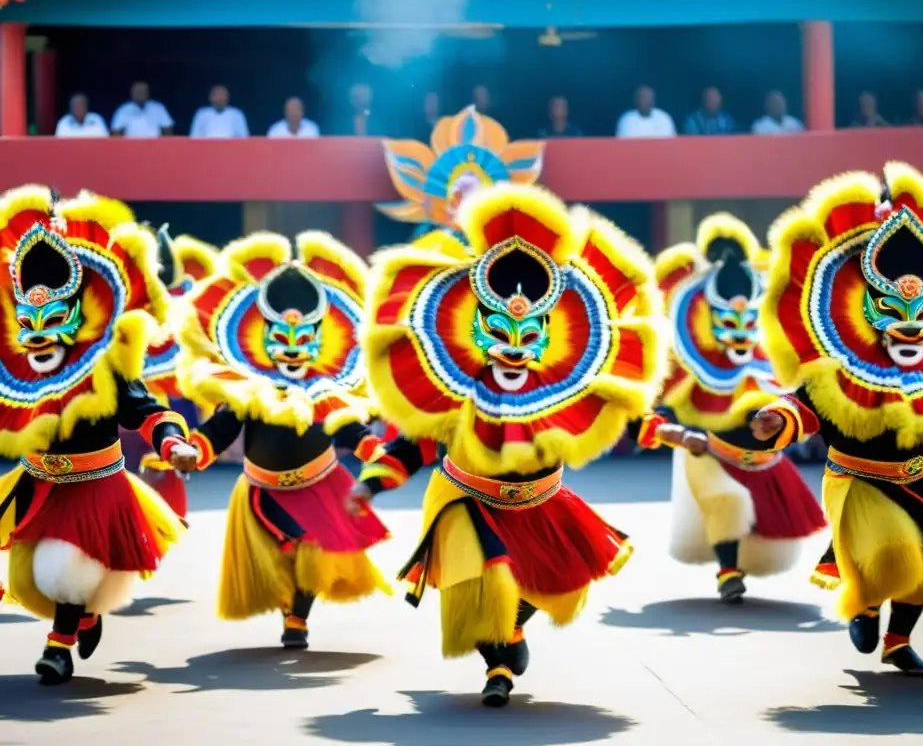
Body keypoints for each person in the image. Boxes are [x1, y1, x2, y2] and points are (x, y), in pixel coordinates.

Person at [352, 183, 667, 707]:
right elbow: (417, 443)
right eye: (498, 329)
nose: (513, 347)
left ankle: (512, 630)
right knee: (482, 579)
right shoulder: (455, 383)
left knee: (555, 585)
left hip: (539, 505)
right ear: (474, 327)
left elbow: (617, 405)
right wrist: (372, 483)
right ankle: (498, 663)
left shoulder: (568, 381)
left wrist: (667, 431)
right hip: (464, 500)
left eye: (528, 333)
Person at [742, 162, 923, 676]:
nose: (910, 326)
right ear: (866, 304)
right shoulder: (840, 355)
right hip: (859, 480)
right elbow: (807, 406)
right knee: (895, 551)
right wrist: (774, 422)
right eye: (893, 310)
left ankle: (897, 640)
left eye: (922, 312)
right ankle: (867, 603)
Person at [0, 185, 197, 685]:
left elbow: (145, 408)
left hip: (95, 486)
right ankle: (85, 616)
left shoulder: (105, 362)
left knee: (65, 568)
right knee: (32, 577)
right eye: (29, 321)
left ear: (80, 313)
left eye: (53, 319)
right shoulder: (16, 372)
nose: (39, 333)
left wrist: (173, 443)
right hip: (36, 484)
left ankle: (59, 647)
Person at [174, 230, 392, 649]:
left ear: (320, 339)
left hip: (321, 483)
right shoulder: (248, 387)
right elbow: (221, 428)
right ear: (262, 337)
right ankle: (289, 607)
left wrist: (380, 454)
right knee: (286, 550)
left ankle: (297, 618)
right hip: (263, 489)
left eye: (304, 340)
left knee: (313, 550)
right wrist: (191, 450)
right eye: (281, 338)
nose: (292, 349)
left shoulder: (328, 389)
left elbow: (348, 426)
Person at [643, 214, 825, 602]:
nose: (740, 329)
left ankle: (740, 562)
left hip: (765, 458)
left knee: (763, 526)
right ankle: (728, 571)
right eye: (728, 319)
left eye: (749, 317)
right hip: (709, 449)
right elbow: (655, 401)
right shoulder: (685, 359)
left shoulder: (774, 361)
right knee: (727, 501)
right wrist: (664, 429)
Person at [136, 224, 220, 519]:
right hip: (148, 375)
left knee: (169, 430)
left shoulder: (187, 293)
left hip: (174, 372)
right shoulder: (138, 298)